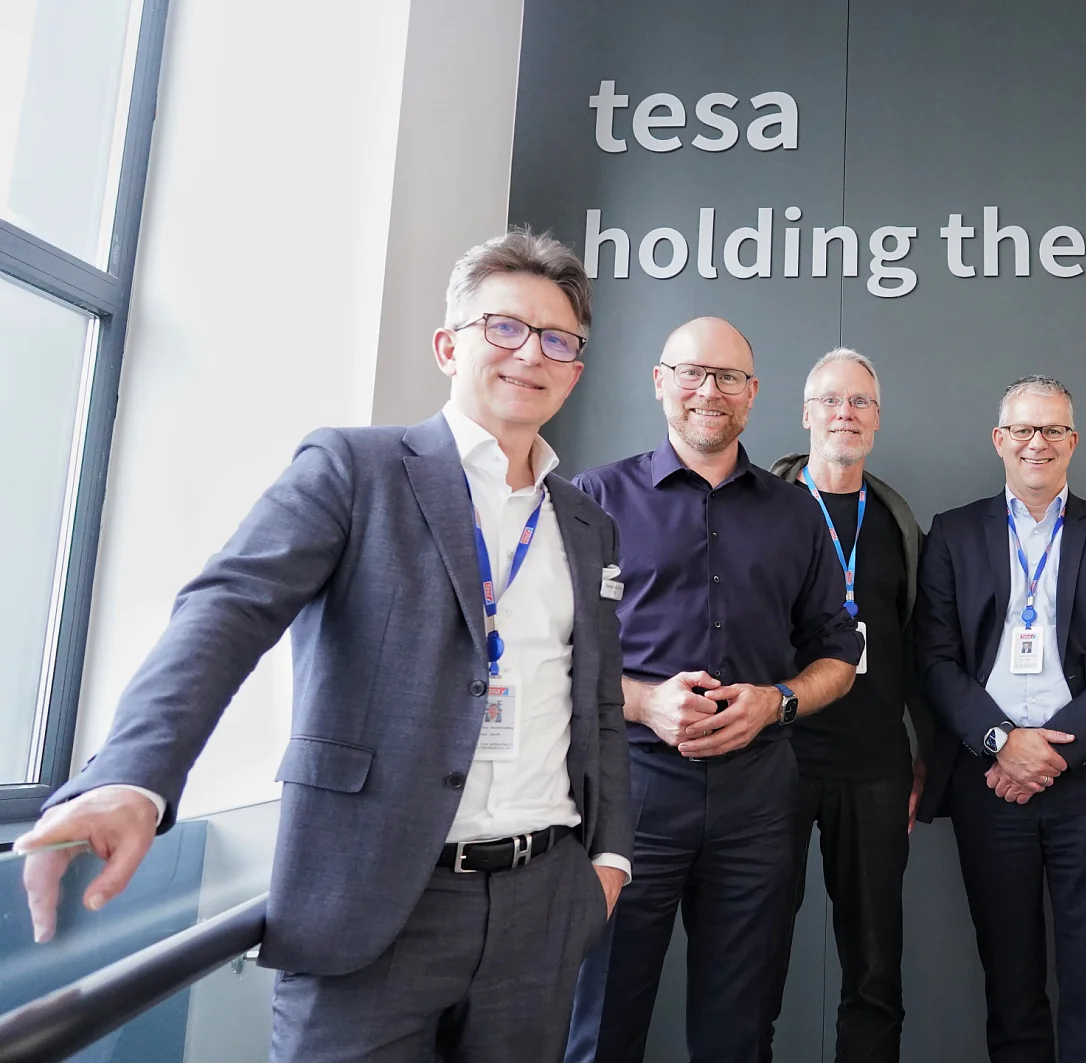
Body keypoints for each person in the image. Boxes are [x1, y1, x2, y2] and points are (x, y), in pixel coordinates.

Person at [17, 231, 631, 1062]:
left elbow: (596, 701)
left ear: (576, 370)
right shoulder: (357, 469)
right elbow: (228, 609)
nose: (532, 354)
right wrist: (133, 772)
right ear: (450, 345)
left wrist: (609, 863)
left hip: (542, 905)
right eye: (506, 328)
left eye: (558, 340)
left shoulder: (588, 525)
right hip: (374, 901)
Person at [564, 317, 861, 1063]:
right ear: (660, 381)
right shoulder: (593, 497)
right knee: (600, 1022)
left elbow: (841, 648)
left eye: (729, 377)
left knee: (739, 1032)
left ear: (753, 395)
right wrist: (642, 701)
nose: (709, 391)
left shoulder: (797, 512)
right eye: (693, 373)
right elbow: (549, 649)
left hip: (757, 800)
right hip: (626, 794)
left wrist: (777, 700)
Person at [913, 375, 1086, 1063]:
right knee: (1010, 980)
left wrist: (1050, 752)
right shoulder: (953, 533)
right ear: (999, 439)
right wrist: (1002, 744)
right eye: (1022, 428)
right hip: (989, 782)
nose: (1036, 442)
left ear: (1072, 441)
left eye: (1052, 429)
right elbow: (932, 660)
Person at [763, 348, 932, 1063]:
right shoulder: (763, 511)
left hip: (875, 769)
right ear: (805, 415)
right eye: (831, 400)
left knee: (874, 967)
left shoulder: (895, 520)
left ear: (878, 420)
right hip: (773, 763)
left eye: (861, 402)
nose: (845, 413)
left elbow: (917, 644)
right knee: (754, 955)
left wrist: (923, 752)